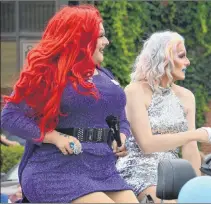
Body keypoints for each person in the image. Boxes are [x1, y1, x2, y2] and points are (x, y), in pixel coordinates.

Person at [1, 5, 138, 203]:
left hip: (103, 169)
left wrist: (121, 136)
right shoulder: (48, 74)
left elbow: (120, 119)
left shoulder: (106, 76)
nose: (106, 42)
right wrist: (54, 137)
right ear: (80, 39)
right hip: (56, 170)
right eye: (100, 36)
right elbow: (9, 116)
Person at [116, 31, 211, 203]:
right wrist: (196, 134)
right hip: (139, 171)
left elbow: (190, 149)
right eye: (182, 56)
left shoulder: (187, 97)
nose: (188, 62)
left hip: (173, 173)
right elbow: (147, 145)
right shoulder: (134, 91)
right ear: (165, 58)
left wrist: (196, 188)